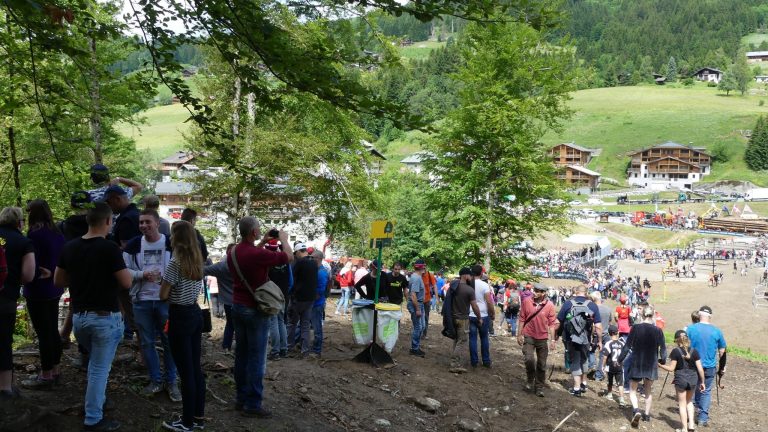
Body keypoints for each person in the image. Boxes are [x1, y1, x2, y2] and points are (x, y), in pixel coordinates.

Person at [54, 202, 132, 431]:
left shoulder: (70, 247)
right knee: (99, 369)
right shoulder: (109, 248)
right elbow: (126, 282)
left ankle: (98, 400)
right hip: (105, 318)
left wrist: (81, 279)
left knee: (95, 365)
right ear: (108, 221)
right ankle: (93, 419)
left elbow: (58, 281)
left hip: (80, 319)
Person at [227, 217, 292, 418]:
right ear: (254, 232)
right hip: (255, 309)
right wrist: (284, 239)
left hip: (237, 306)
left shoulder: (233, 252)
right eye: (258, 231)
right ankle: (253, 404)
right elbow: (288, 257)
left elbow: (251, 253)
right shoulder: (257, 254)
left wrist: (262, 241)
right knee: (256, 358)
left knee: (242, 355)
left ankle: (240, 398)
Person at [123, 209, 180, 401]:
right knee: (146, 342)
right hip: (142, 300)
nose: (144, 226)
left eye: (147, 222)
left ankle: (171, 381)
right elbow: (124, 270)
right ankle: (155, 380)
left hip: (165, 300)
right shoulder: (133, 245)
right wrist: (141, 275)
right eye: (141, 223)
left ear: (157, 223)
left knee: (170, 340)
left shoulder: (171, 243)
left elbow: (181, 266)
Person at [157, 220, 206, 432]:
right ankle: (198, 417)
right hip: (195, 314)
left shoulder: (175, 263)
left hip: (179, 316)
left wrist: (161, 282)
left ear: (177, 238)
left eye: (172, 233)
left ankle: (186, 423)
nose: (169, 236)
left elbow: (163, 294)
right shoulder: (197, 259)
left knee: (185, 372)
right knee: (195, 369)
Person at [21, 200, 66, 389]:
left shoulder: (35, 235)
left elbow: (33, 263)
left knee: (44, 333)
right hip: (55, 287)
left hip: (38, 289)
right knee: (52, 330)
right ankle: (55, 370)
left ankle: (46, 375)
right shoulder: (57, 233)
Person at [0, 207, 36, 398]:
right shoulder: (22, 242)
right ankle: (5, 388)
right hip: (6, 297)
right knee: (4, 341)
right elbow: (28, 275)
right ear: (19, 222)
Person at [618, 305, 666, 428]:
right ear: (652, 316)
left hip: (637, 362)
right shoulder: (658, 331)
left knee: (633, 390)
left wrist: (620, 359)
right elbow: (663, 348)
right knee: (648, 390)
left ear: (642, 315)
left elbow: (627, 346)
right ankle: (647, 414)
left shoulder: (635, 328)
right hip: (651, 363)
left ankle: (636, 410)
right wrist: (663, 360)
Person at [104, 185, 141, 342]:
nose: (109, 207)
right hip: (134, 271)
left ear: (117, 199)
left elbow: (126, 248)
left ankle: (139, 343)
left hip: (128, 270)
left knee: (129, 306)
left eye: (109, 203)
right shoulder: (134, 214)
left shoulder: (127, 219)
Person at [557, 284, 602, 397]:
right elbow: (598, 326)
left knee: (575, 360)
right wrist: (599, 340)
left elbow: (559, 321)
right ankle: (583, 383)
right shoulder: (593, 305)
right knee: (584, 359)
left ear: (576, 292)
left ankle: (576, 388)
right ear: (586, 293)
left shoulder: (568, 303)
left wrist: (557, 335)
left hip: (570, 337)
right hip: (586, 338)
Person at [686, 305, 727, 428]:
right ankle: (703, 418)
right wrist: (722, 367)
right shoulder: (717, 331)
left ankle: (690, 415)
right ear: (710, 317)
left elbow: (684, 346)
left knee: (691, 389)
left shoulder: (690, 329)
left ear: (699, 315)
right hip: (709, 366)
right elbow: (722, 351)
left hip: (692, 365)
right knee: (706, 391)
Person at [658, 329, 706, 432]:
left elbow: (671, 369)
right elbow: (700, 369)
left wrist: (660, 365)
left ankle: (684, 428)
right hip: (693, 379)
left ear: (677, 340)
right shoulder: (694, 351)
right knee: (689, 402)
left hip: (681, 379)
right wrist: (702, 382)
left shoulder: (676, 351)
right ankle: (692, 426)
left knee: (682, 404)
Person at [517, 282, 558, 397]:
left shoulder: (549, 305)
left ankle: (539, 387)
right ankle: (530, 379)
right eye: (534, 290)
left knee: (542, 364)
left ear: (543, 293)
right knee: (529, 359)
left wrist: (553, 340)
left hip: (542, 338)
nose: (534, 293)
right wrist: (519, 334)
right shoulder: (526, 302)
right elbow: (521, 319)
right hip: (529, 335)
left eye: (538, 291)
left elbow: (551, 324)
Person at [448, 268, 481, 371]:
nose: (471, 278)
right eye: (470, 276)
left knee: (457, 340)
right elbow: (475, 306)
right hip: (463, 319)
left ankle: (456, 362)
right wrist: (479, 317)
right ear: (465, 276)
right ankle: (454, 365)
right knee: (462, 341)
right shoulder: (469, 290)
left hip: (453, 317)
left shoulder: (453, 287)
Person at [287, 242, 315, 357]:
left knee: (291, 324)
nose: (295, 255)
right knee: (305, 325)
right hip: (310, 299)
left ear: (298, 252)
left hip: (297, 300)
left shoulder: (298, 263)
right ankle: (305, 351)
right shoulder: (313, 263)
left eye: (295, 253)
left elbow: (291, 280)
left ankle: (289, 347)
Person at [204, 246, 235, 351]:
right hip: (242, 301)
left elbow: (202, 271)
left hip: (227, 301)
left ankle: (226, 346)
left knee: (230, 324)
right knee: (242, 326)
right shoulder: (244, 264)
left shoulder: (221, 267)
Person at [266, 240, 291, 360]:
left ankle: (275, 351)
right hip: (284, 295)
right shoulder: (286, 262)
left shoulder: (267, 262)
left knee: (273, 322)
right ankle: (283, 349)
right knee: (281, 322)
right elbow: (290, 281)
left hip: (272, 296)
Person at [468, 265, 495, 368]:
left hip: (470, 313)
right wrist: (492, 313)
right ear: (481, 273)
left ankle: (474, 361)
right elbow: (489, 301)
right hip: (483, 314)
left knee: (472, 338)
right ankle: (486, 360)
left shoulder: (468, 284)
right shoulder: (484, 285)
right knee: (484, 338)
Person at [600, 325, 627, 407]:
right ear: (617, 332)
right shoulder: (622, 343)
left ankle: (610, 394)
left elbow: (605, 357)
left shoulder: (608, 343)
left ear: (609, 333)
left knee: (610, 380)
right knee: (620, 383)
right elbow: (624, 355)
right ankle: (622, 399)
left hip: (610, 365)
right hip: (619, 365)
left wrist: (603, 366)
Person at [310, 249, 329, 357]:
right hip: (314, 304)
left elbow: (320, 291)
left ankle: (317, 349)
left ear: (318, 259)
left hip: (316, 305)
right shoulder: (317, 270)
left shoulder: (321, 273)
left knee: (317, 328)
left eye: (313, 257)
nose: (311, 259)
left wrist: (311, 301)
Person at [590, 291, 612, 381]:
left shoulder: (592, 309)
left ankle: (592, 365)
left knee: (590, 351)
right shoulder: (608, 309)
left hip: (595, 334)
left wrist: (591, 335)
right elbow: (610, 322)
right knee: (602, 355)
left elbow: (592, 324)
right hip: (606, 334)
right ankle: (598, 375)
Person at [407, 261, 426, 357]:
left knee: (422, 326)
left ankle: (416, 347)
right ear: (422, 267)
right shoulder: (416, 278)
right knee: (418, 327)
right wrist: (417, 309)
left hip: (419, 305)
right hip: (416, 305)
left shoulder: (417, 277)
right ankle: (414, 348)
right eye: (425, 266)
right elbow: (413, 295)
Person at [415, 259, 436, 339]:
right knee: (418, 317)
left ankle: (424, 334)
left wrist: (436, 298)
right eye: (422, 266)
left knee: (426, 317)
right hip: (418, 300)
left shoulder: (429, 275)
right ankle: (417, 332)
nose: (423, 268)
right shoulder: (417, 275)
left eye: (424, 266)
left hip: (427, 300)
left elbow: (434, 286)